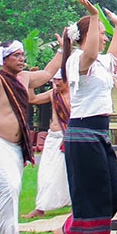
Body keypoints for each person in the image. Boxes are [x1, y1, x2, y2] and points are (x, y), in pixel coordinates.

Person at [0, 14, 63, 234]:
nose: (22, 59)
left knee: (7, 189)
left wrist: (63, 50)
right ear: (5, 59)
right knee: (9, 186)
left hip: (14, 146)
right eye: (17, 55)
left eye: (23, 55)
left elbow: (47, 73)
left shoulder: (24, 78)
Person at [53, 0, 117, 234]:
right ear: (86, 35)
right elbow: (92, 53)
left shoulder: (105, 63)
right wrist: (94, 16)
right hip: (82, 134)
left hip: (98, 134)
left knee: (113, 196)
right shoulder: (76, 61)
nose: (104, 39)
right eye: (101, 34)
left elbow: (111, 53)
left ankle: (66, 229)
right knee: (91, 195)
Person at [23, 68, 72, 219]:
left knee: (68, 173)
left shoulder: (75, 94)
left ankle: (74, 205)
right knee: (45, 172)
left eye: (59, 80)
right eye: (54, 80)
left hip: (69, 136)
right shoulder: (53, 93)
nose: (56, 83)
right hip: (53, 137)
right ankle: (40, 207)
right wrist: (31, 83)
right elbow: (33, 99)